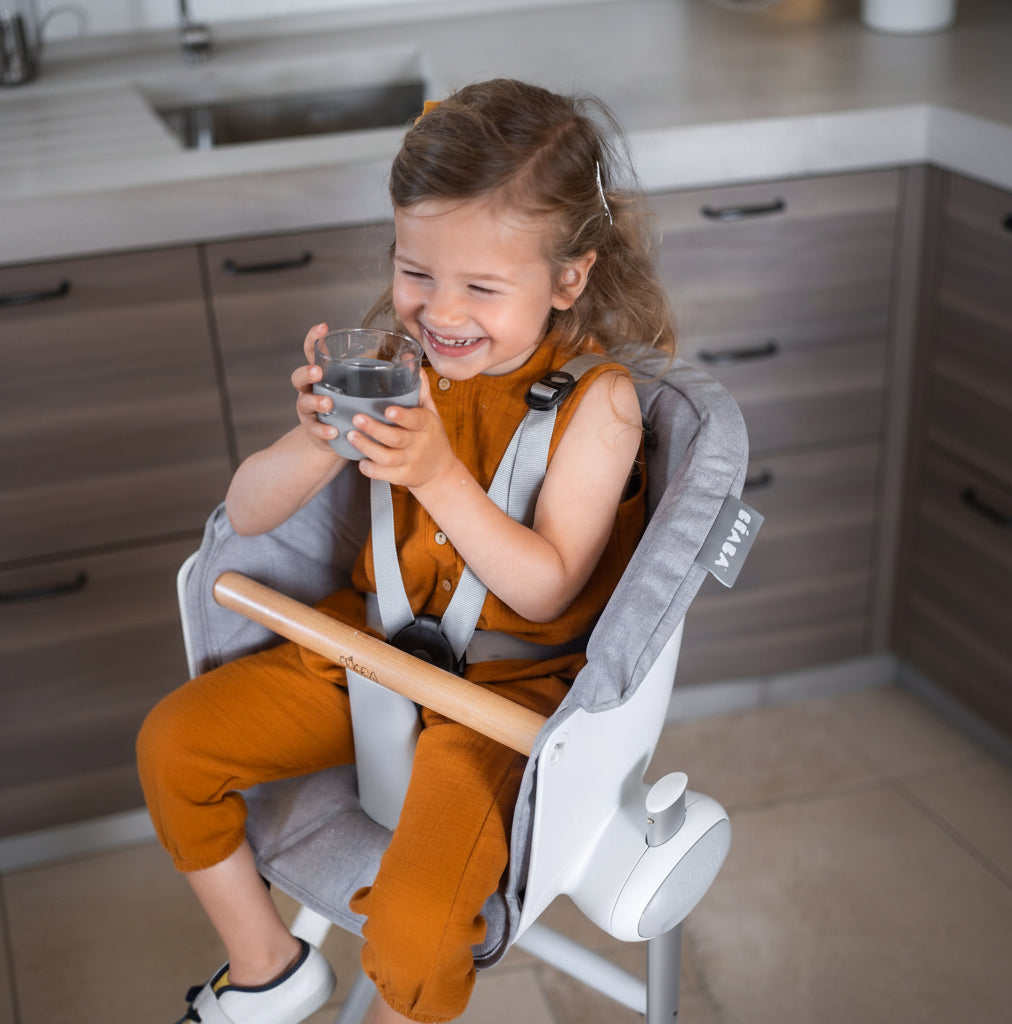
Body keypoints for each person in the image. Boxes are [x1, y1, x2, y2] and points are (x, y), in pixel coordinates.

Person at [137, 78, 676, 1024]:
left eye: (481, 287)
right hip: (370, 654)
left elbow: (545, 589)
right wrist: (317, 440)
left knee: (417, 932)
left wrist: (435, 474)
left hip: (501, 702)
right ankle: (267, 967)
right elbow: (249, 514)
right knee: (173, 747)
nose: (440, 311)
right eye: (416, 272)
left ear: (568, 279)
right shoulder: (398, 365)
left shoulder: (601, 406)